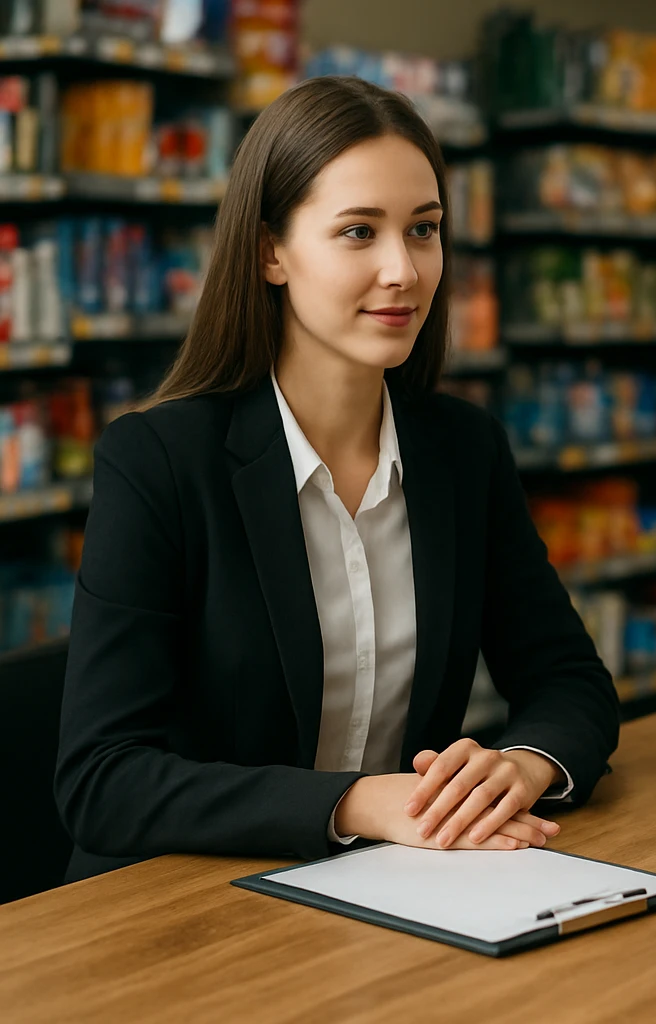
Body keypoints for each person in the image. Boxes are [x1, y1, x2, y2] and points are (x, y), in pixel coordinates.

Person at [54, 77, 620, 883]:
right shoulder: (159, 462)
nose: (404, 270)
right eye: (359, 232)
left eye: (424, 230)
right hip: (174, 910)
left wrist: (524, 764)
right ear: (270, 252)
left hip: (383, 890)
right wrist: (354, 804)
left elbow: (569, 678)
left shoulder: (463, 450)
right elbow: (101, 781)